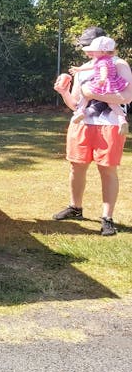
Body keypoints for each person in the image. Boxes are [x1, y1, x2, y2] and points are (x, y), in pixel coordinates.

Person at [53, 26, 132, 236]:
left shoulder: (118, 64)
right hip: (81, 123)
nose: (86, 51)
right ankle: (75, 207)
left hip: (110, 124)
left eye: (88, 46)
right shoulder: (85, 68)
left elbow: (126, 97)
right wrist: (63, 91)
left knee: (107, 169)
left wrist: (94, 92)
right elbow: (76, 104)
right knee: (76, 166)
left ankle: (107, 218)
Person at [69, 36, 129, 133]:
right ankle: (122, 119)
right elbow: (93, 67)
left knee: (85, 94)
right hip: (111, 84)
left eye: (94, 50)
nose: (92, 53)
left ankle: (81, 111)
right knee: (112, 103)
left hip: (103, 83)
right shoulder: (109, 60)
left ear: (103, 52)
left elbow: (103, 70)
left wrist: (102, 79)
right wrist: (79, 69)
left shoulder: (102, 61)